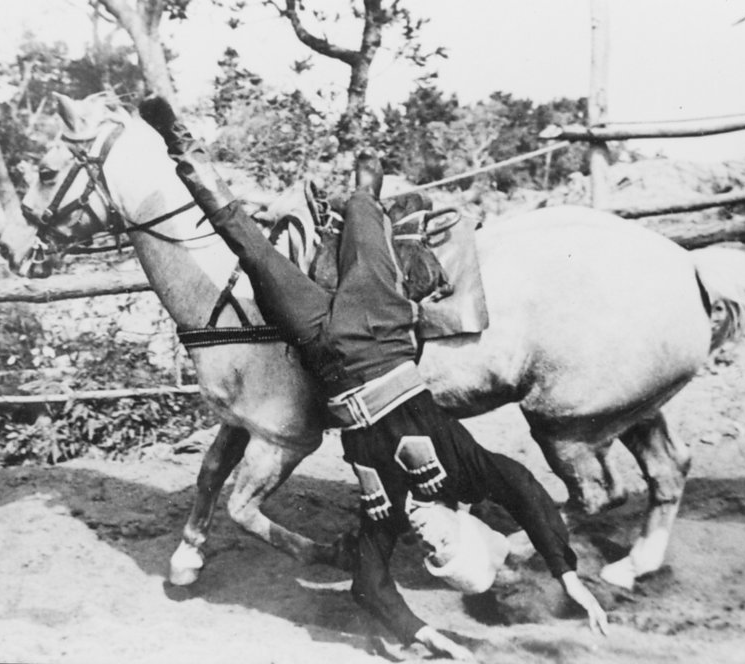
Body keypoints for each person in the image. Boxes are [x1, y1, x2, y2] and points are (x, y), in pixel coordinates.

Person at [141, 99, 609, 660]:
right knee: (364, 212)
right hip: (377, 327)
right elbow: (528, 493)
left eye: (432, 558)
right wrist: (568, 574)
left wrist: (426, 635)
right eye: (444, 544)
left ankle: (181, 145)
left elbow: (370, 585)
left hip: (319, 346)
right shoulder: (467, 471)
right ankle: (368, 175)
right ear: (464, 526)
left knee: (246, 242)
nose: (428, 542)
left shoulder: (386, 511)